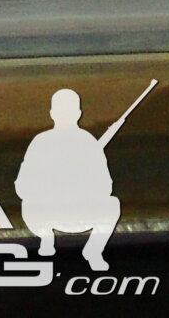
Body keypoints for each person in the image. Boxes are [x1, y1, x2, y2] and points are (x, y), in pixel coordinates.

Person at [16, 88, 122, 272]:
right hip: (47, 213)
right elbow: (22, 186)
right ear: (52, 114)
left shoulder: (88, 143)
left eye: (69, 111)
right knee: (28, 205)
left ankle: (93, 251)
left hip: (82, 212)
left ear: (78, 114)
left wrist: (80, 186)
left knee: (112, 205)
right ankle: (46, 238)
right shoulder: (41, 142)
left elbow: (106, 187)